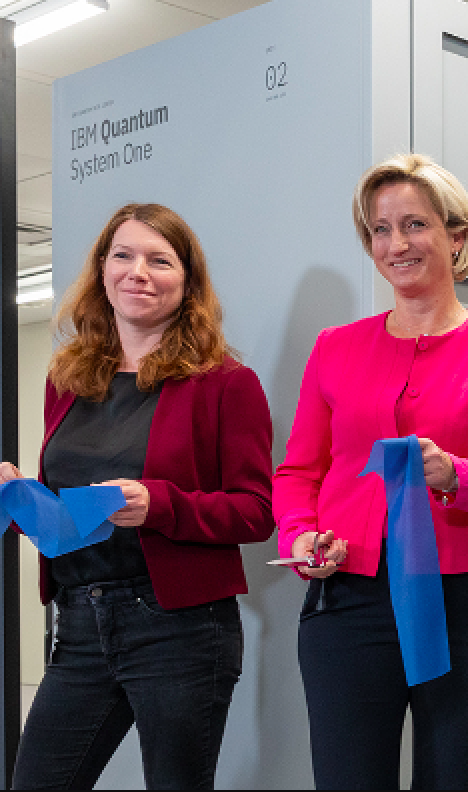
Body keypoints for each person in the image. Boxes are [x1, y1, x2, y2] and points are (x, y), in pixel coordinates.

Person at [273, 155, 468, 789]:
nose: (396, 244)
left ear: (456, 238)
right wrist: (299, 537)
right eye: (380, 229)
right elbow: (297, 474)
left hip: (464, 607)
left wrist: (456, 475)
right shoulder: (333, 349)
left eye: (415, 225)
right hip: (347, 601)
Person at [0, 203, 274, 789]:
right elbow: (67, 516)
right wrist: (23, 502)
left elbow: (256, 512)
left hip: (178, 628)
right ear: (101, 270)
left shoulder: (227, 383)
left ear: (188, 280)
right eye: (122, 256)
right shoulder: (68, 378)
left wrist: (161, 504)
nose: (137, 272)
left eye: (159, 260)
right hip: (78, 621)